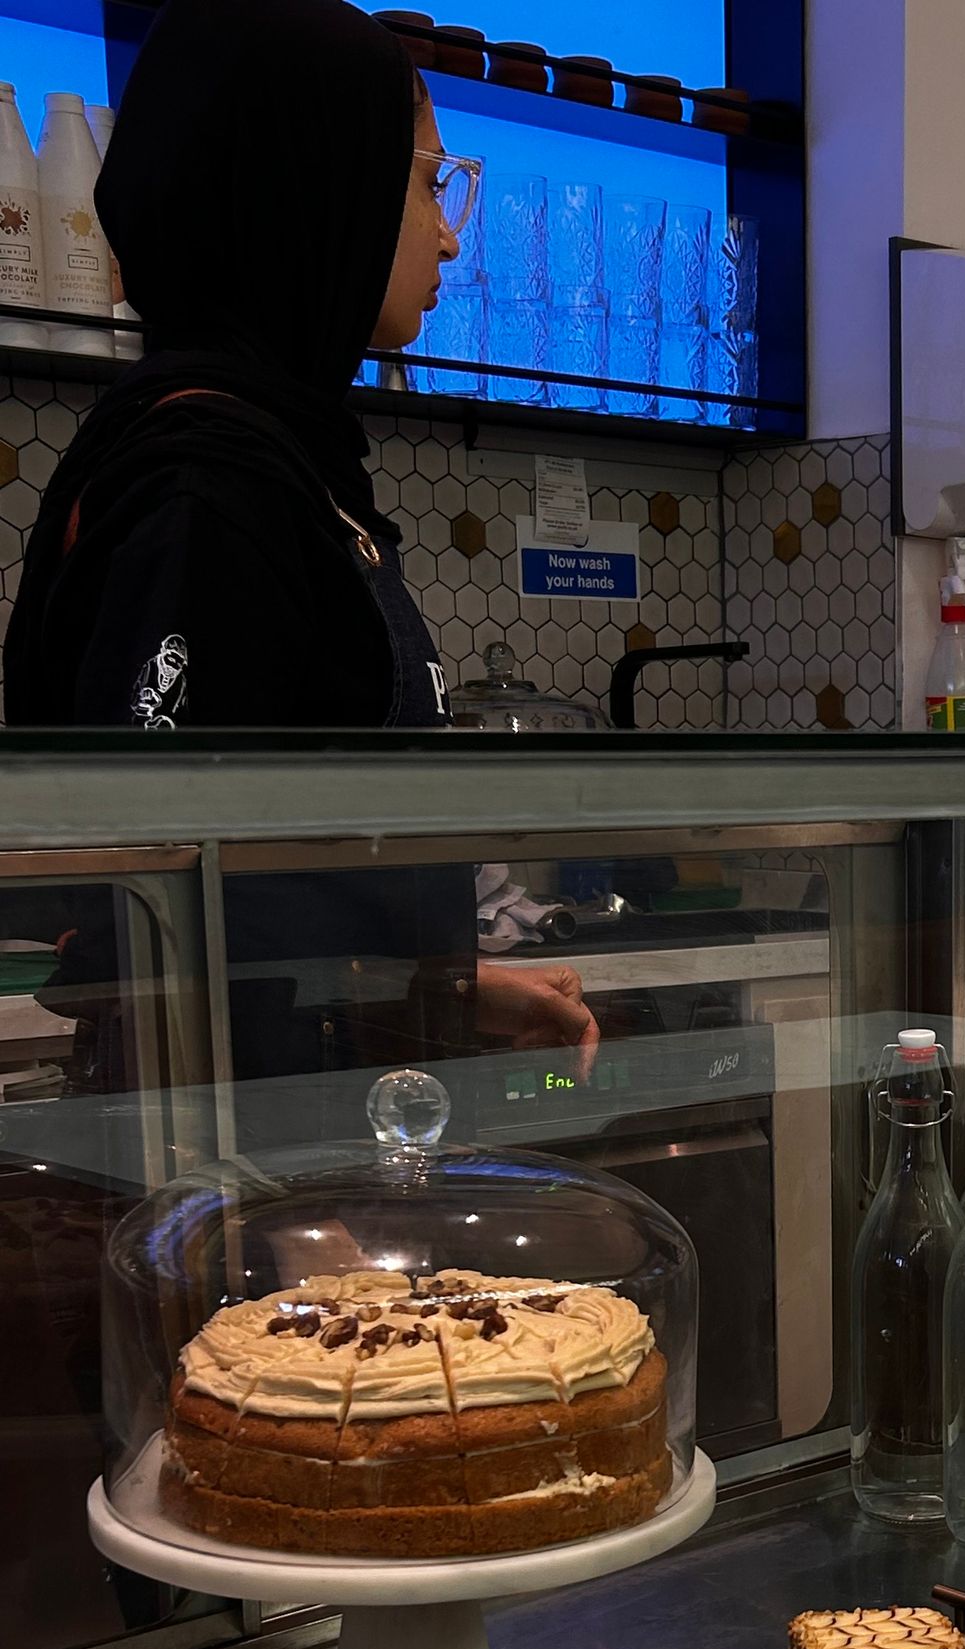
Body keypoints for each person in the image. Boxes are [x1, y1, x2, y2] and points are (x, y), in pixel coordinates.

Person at [3, 0, 596, 1080]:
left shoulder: (286, 464)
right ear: (319, 190)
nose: (450, 235)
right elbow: (176, 917)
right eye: (430, 184)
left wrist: (448, 993)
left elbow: (287, 888)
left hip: (318, 1120)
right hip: (240, 1148)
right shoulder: (207, 490)